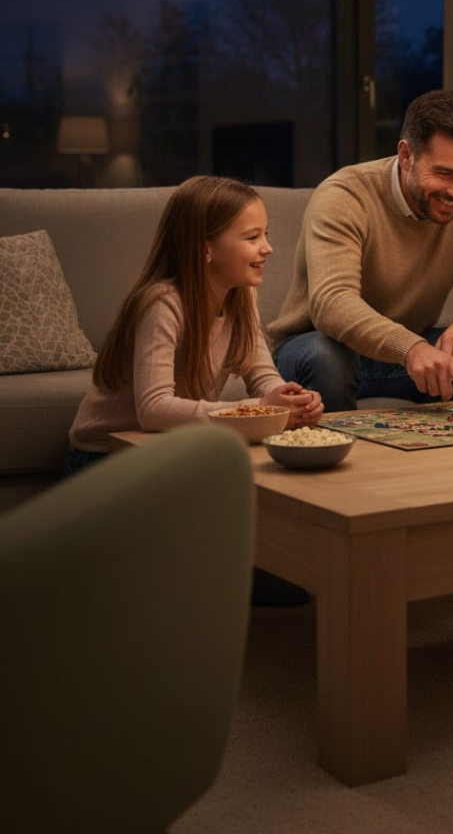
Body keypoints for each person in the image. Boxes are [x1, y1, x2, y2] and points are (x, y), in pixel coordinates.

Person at [65, 175, 324, 605]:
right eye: (252, 237)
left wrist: (289, 400)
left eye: (266, 235)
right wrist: (257, 409)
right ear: (206, 248)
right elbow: (153, 410)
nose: (268, 248)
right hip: (104, 461)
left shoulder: (241, 297)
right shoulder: (162, 303)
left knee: (294, 587)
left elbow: (264, 377)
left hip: (168, 455)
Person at [268, 89, 453, 411]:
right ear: (406, 155)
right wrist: (411, 348)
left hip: (409, 350)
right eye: (445, 173)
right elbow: (332, 304)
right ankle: (337, 458)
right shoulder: (344, 195)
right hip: (320, 348)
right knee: (325, 357)